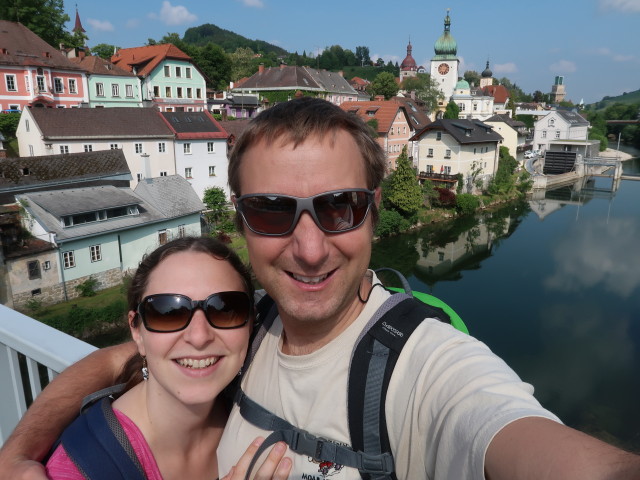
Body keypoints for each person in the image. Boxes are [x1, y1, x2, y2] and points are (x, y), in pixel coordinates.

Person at [1, 97, 639, 480]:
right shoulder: (236, 327)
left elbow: (515, 433)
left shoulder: (423, 366)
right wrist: (19, 453)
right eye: (275, 211)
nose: (309, 248)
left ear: (375, 211)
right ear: (243, 221)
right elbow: (123, 356)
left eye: (339, 208)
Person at [45, 237, 291, 480]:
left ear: (250, 323)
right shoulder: (80, 469)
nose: (199, 336)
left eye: (225, 309)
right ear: (137, 331)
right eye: (168, 313)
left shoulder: (245, 411)